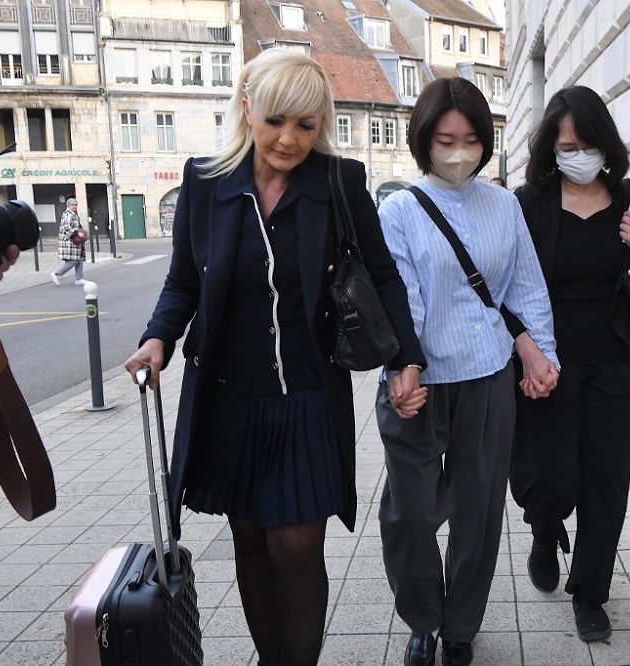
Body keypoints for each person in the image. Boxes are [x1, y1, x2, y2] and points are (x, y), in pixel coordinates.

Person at [122, 49, 426, 666]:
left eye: (306, 125)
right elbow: (184, 281)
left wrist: (407, 361)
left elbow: (384, 278)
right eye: (275, 120)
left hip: (308, 398)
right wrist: (158, 340)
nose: (289, 139)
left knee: (296, 547)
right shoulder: (205, 183)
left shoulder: (340, 184)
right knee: (252, 540)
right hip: (229, 397)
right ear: (247, 109)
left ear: (321, 125)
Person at [375, 77, 559, 666]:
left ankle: (458, 628)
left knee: (478, 510)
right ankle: (422, 618)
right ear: (423, 141)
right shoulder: (399, 209)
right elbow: (400, 295)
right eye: (445, 139)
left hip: (487, 378)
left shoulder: (504, 205)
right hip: (419, 384)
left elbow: (525, 287)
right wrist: (403, 365)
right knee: (411, 513)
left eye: (471, 139)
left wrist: (542, 354)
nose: (459, 152)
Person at [507, 85, 630, 642]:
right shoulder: (528, 204)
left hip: (613, 363)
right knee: (550, 477)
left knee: (605, 481)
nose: (576, 155)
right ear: (549, 150)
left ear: (605, 145)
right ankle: (544, 529)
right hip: (546, 367)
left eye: (586, 144)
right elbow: (503, 287)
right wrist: (524, 346)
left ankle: (590, 593)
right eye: (565, 147)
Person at [50, 198, 86, 286]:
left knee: (80, 258)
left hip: (75, 242)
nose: (74, 206)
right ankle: (56, 273)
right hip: (69, 242)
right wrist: (77, 233)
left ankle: (79, 278)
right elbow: (66, 227)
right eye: (72, 205)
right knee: (73, 260)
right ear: (68, 206)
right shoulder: (67, 214)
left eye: (75, 205)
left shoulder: (73, 214)